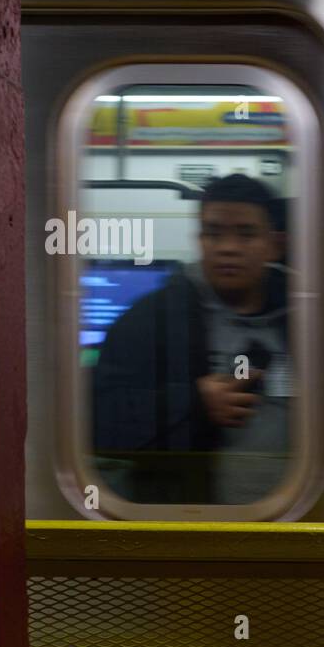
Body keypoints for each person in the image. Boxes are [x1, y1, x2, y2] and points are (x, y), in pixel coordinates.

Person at [93, 174, 293, 504]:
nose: (228, 247)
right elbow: (101, 421)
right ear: (199, 240)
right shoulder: (151, 320)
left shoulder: (307, 322)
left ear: (275, 244)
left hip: (294, 523)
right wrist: (193, 403)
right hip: (187, 527)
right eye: (214, 233)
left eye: (246, 234)